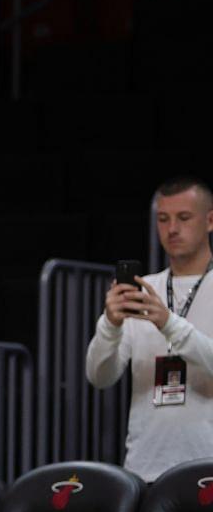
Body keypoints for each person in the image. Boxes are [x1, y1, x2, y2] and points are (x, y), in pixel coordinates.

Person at [87, 176, 213, 482]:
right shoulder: (146, 290)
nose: (172, 229)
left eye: (184, 218)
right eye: (163, 219)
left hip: (207, 465)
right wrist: (110, 325)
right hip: (145, 469)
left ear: (210, 220)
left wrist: (168, 323)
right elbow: (99, 376)